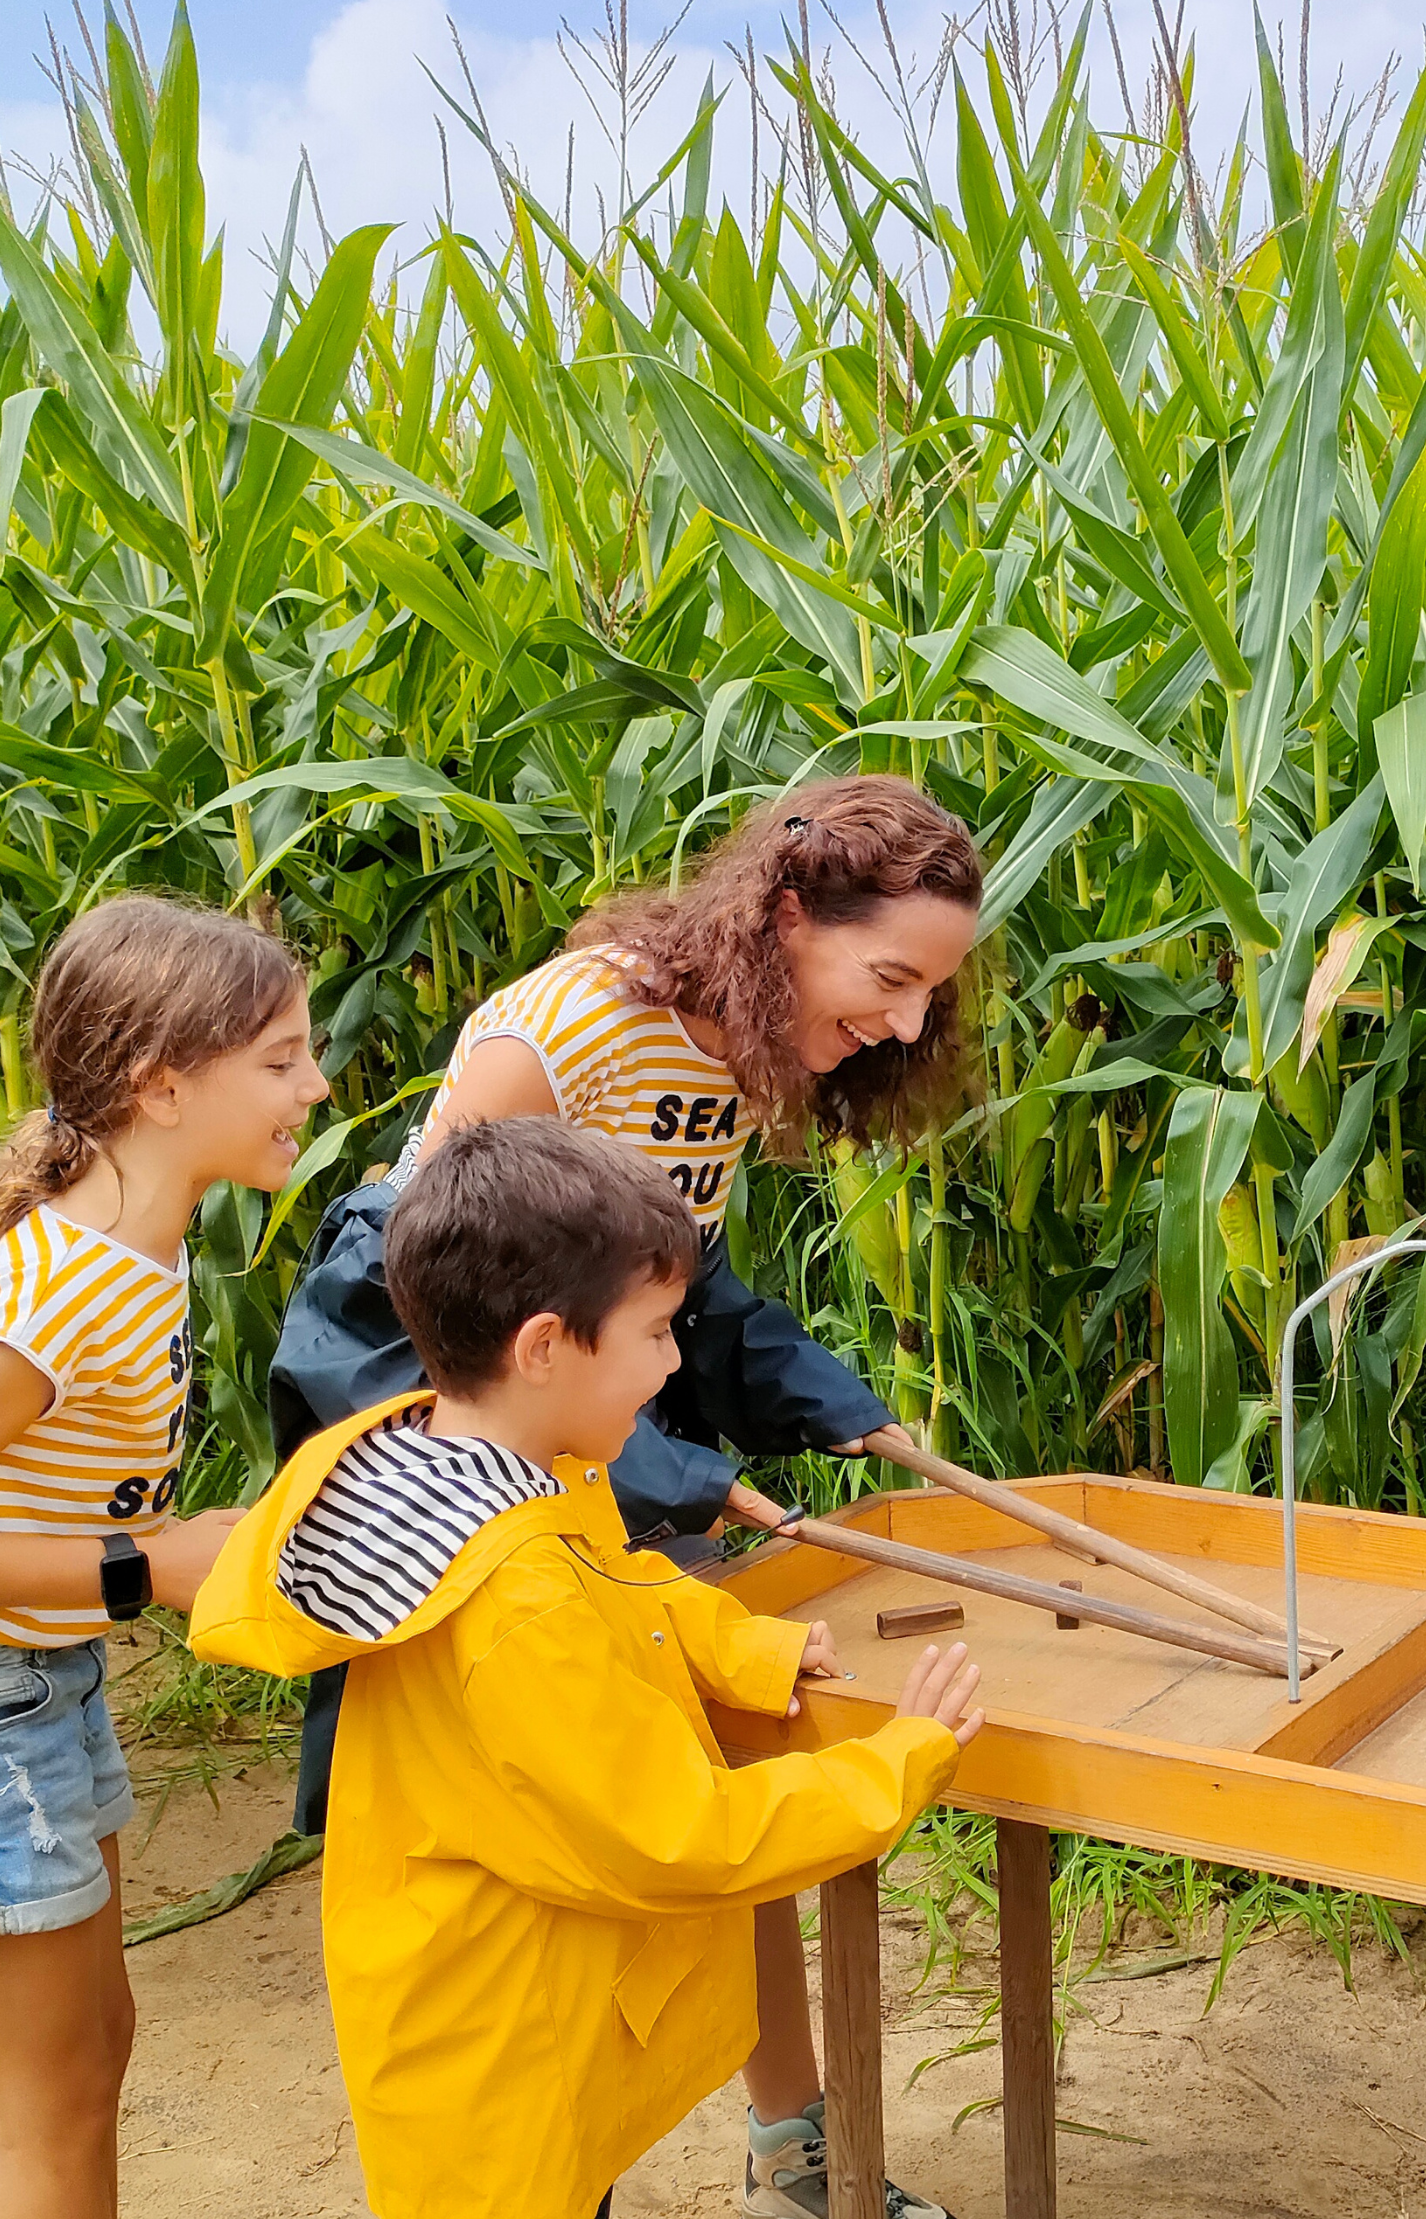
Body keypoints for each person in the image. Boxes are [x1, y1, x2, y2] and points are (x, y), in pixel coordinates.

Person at [268, 771, 984, 2218]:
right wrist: (680, 1473)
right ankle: (545, 2158)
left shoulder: (733, 1058)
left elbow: (681, 1288)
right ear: (786, 915)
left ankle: (789, 2140)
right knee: (576, 1834)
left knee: (703, 1764)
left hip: (582, 1436)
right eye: (890, 978)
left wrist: (836, 1411)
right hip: (476, 1465)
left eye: (932, 997)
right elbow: (423, 1321)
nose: (907, 1028)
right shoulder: (571, 1030)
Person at [0, 894, 325, 2219]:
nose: (315, 1084)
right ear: (159, 1085)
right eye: (278, 1059)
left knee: (92, 2061)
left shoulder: (128, 1237)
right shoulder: (66, 1285)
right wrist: (143, 1566)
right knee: (48, 2107)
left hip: (29, 1684)